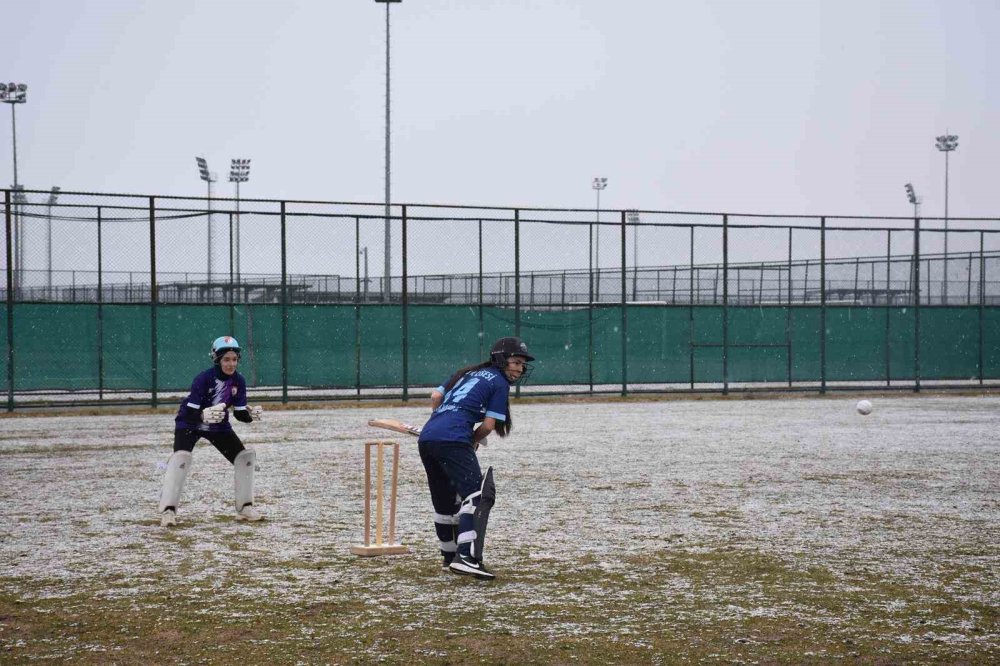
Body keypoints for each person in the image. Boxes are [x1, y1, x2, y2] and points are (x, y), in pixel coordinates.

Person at [417, 336, 536, 580]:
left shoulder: (466, 373)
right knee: (476, 496)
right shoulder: (499, 382)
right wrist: (471, 439)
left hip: (428, 436)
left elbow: (435, 397)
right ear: (501, 360)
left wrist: (442, 421)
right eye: (515, 362)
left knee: (444, 499)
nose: (519, 369)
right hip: (453, 438)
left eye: (522, 365)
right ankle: (466, 558)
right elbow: (489, 425)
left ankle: (449, 557)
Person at [158, 335, 265, 527]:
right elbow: (191, 411)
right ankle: (168, 511)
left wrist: (250, 416)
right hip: (189, 424)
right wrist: (202, 415)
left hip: (218, 426)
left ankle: (245, 508)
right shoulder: (203, 378)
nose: (231, 364)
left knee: (244, 459)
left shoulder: (239, 381)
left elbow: (240, 413)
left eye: (234, 359)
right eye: (226, 359)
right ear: (216, 359)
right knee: (180, 460)